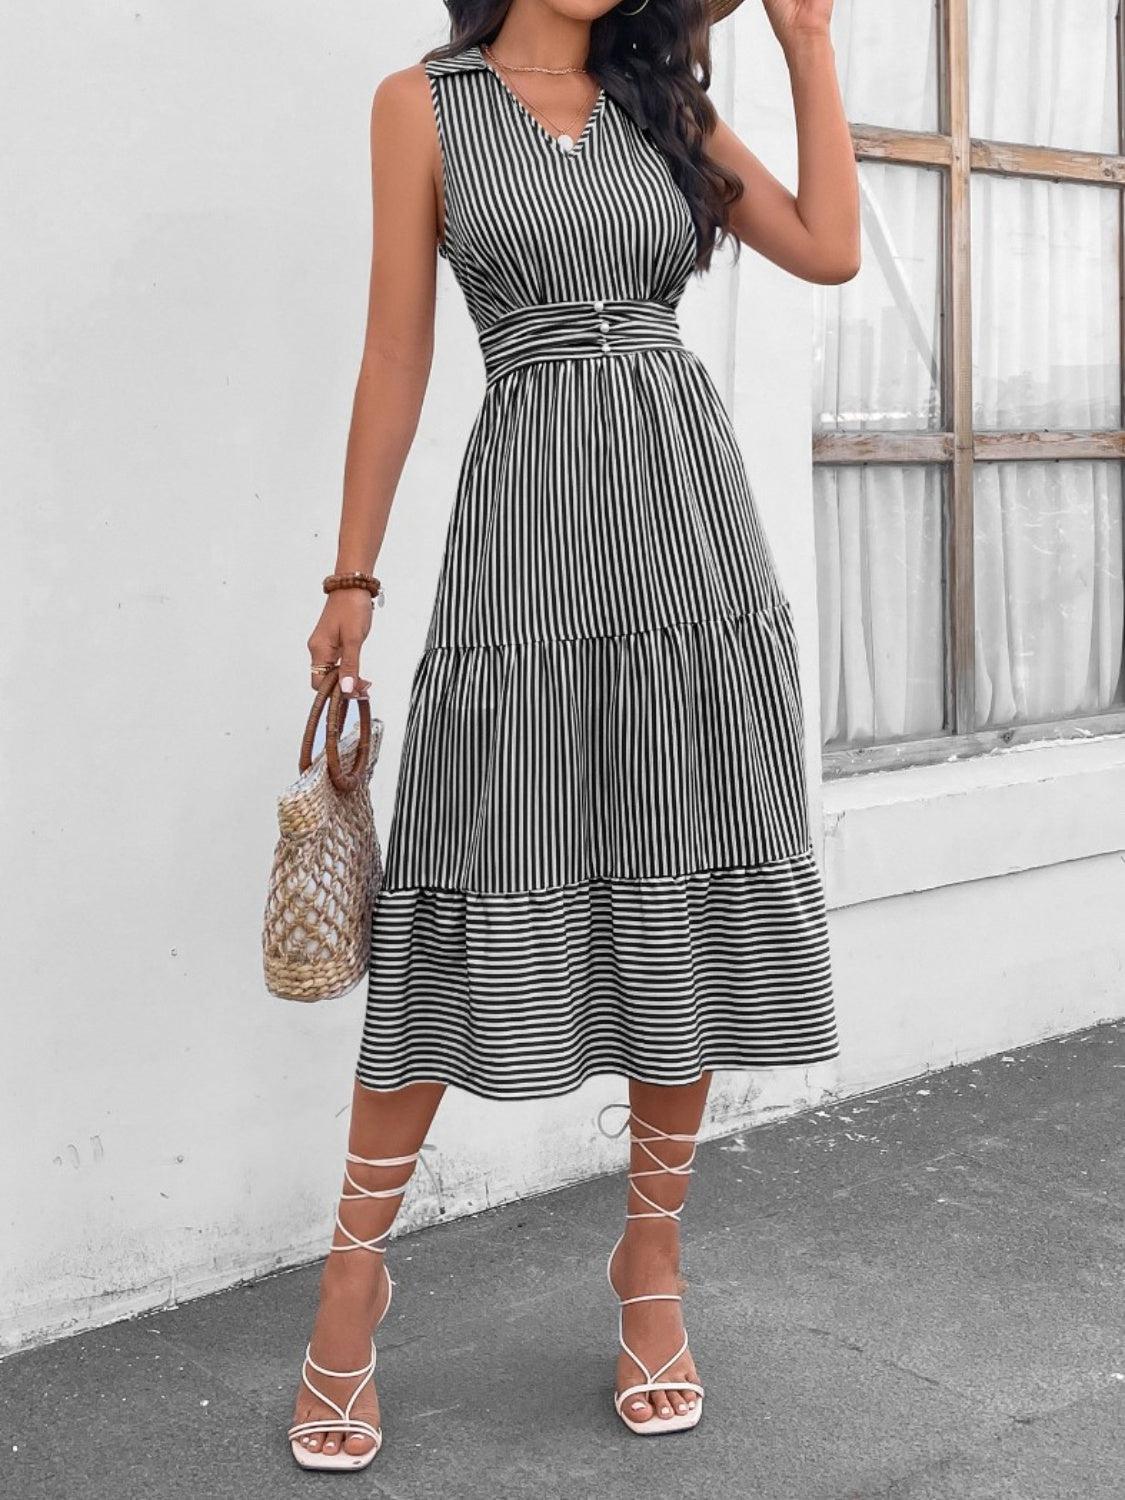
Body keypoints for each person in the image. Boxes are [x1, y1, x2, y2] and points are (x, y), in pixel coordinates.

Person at [289, 0, 856, 1470]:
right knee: (467, 862)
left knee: (686, 855)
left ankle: (649, 1260)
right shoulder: (421, 106)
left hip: (686, 531)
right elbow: (394, 352)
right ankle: (353, 1273)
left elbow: (828, 247)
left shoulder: (660, 99)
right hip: (525, 525)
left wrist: (806, 43)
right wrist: (352, 573)